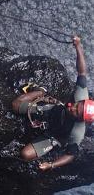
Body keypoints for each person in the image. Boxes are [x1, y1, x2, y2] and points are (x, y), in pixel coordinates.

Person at [11, 35, 94, 171]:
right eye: (76, 105)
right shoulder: (81, 95)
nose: (72, 107)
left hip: (54, 136)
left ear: (80, 119)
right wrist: (78, 46)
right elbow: (82, 72)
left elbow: (71, 155)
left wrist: (51, 165)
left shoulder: (77, 132)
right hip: (51, 111)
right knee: (15, 105)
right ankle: (40, 92)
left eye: (75, 112)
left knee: (25, 155)